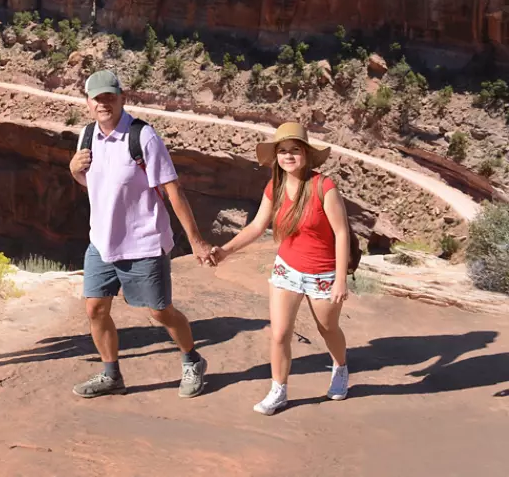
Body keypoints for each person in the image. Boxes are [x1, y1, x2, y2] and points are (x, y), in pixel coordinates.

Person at [68, 70, 216, 399]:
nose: (104, 103)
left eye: (110, 97)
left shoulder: (143, 137)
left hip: (143, 243)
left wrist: (196, 241)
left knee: (159, 311)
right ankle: (112, 375)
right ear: (87, 103)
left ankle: (192, 360)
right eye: (97, 98)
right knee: (95, 310)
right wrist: (74, 171)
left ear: (123, 98)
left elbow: (173, 191)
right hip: (102, 241)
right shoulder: (87, 136)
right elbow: (93, 183)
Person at [212, 122, 351, 415]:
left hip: (322, 274)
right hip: (288, 269)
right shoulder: (274, 187)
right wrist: (225, 251)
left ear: (306, 154)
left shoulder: (324, 186)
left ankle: (340, 367)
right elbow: (257, 226)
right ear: (276, 156)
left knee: (327, 328)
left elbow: (341, 233)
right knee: (279, 334)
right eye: (283, 151)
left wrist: (340, 280)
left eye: (295, 150)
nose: (288, 156)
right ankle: (278, 391)